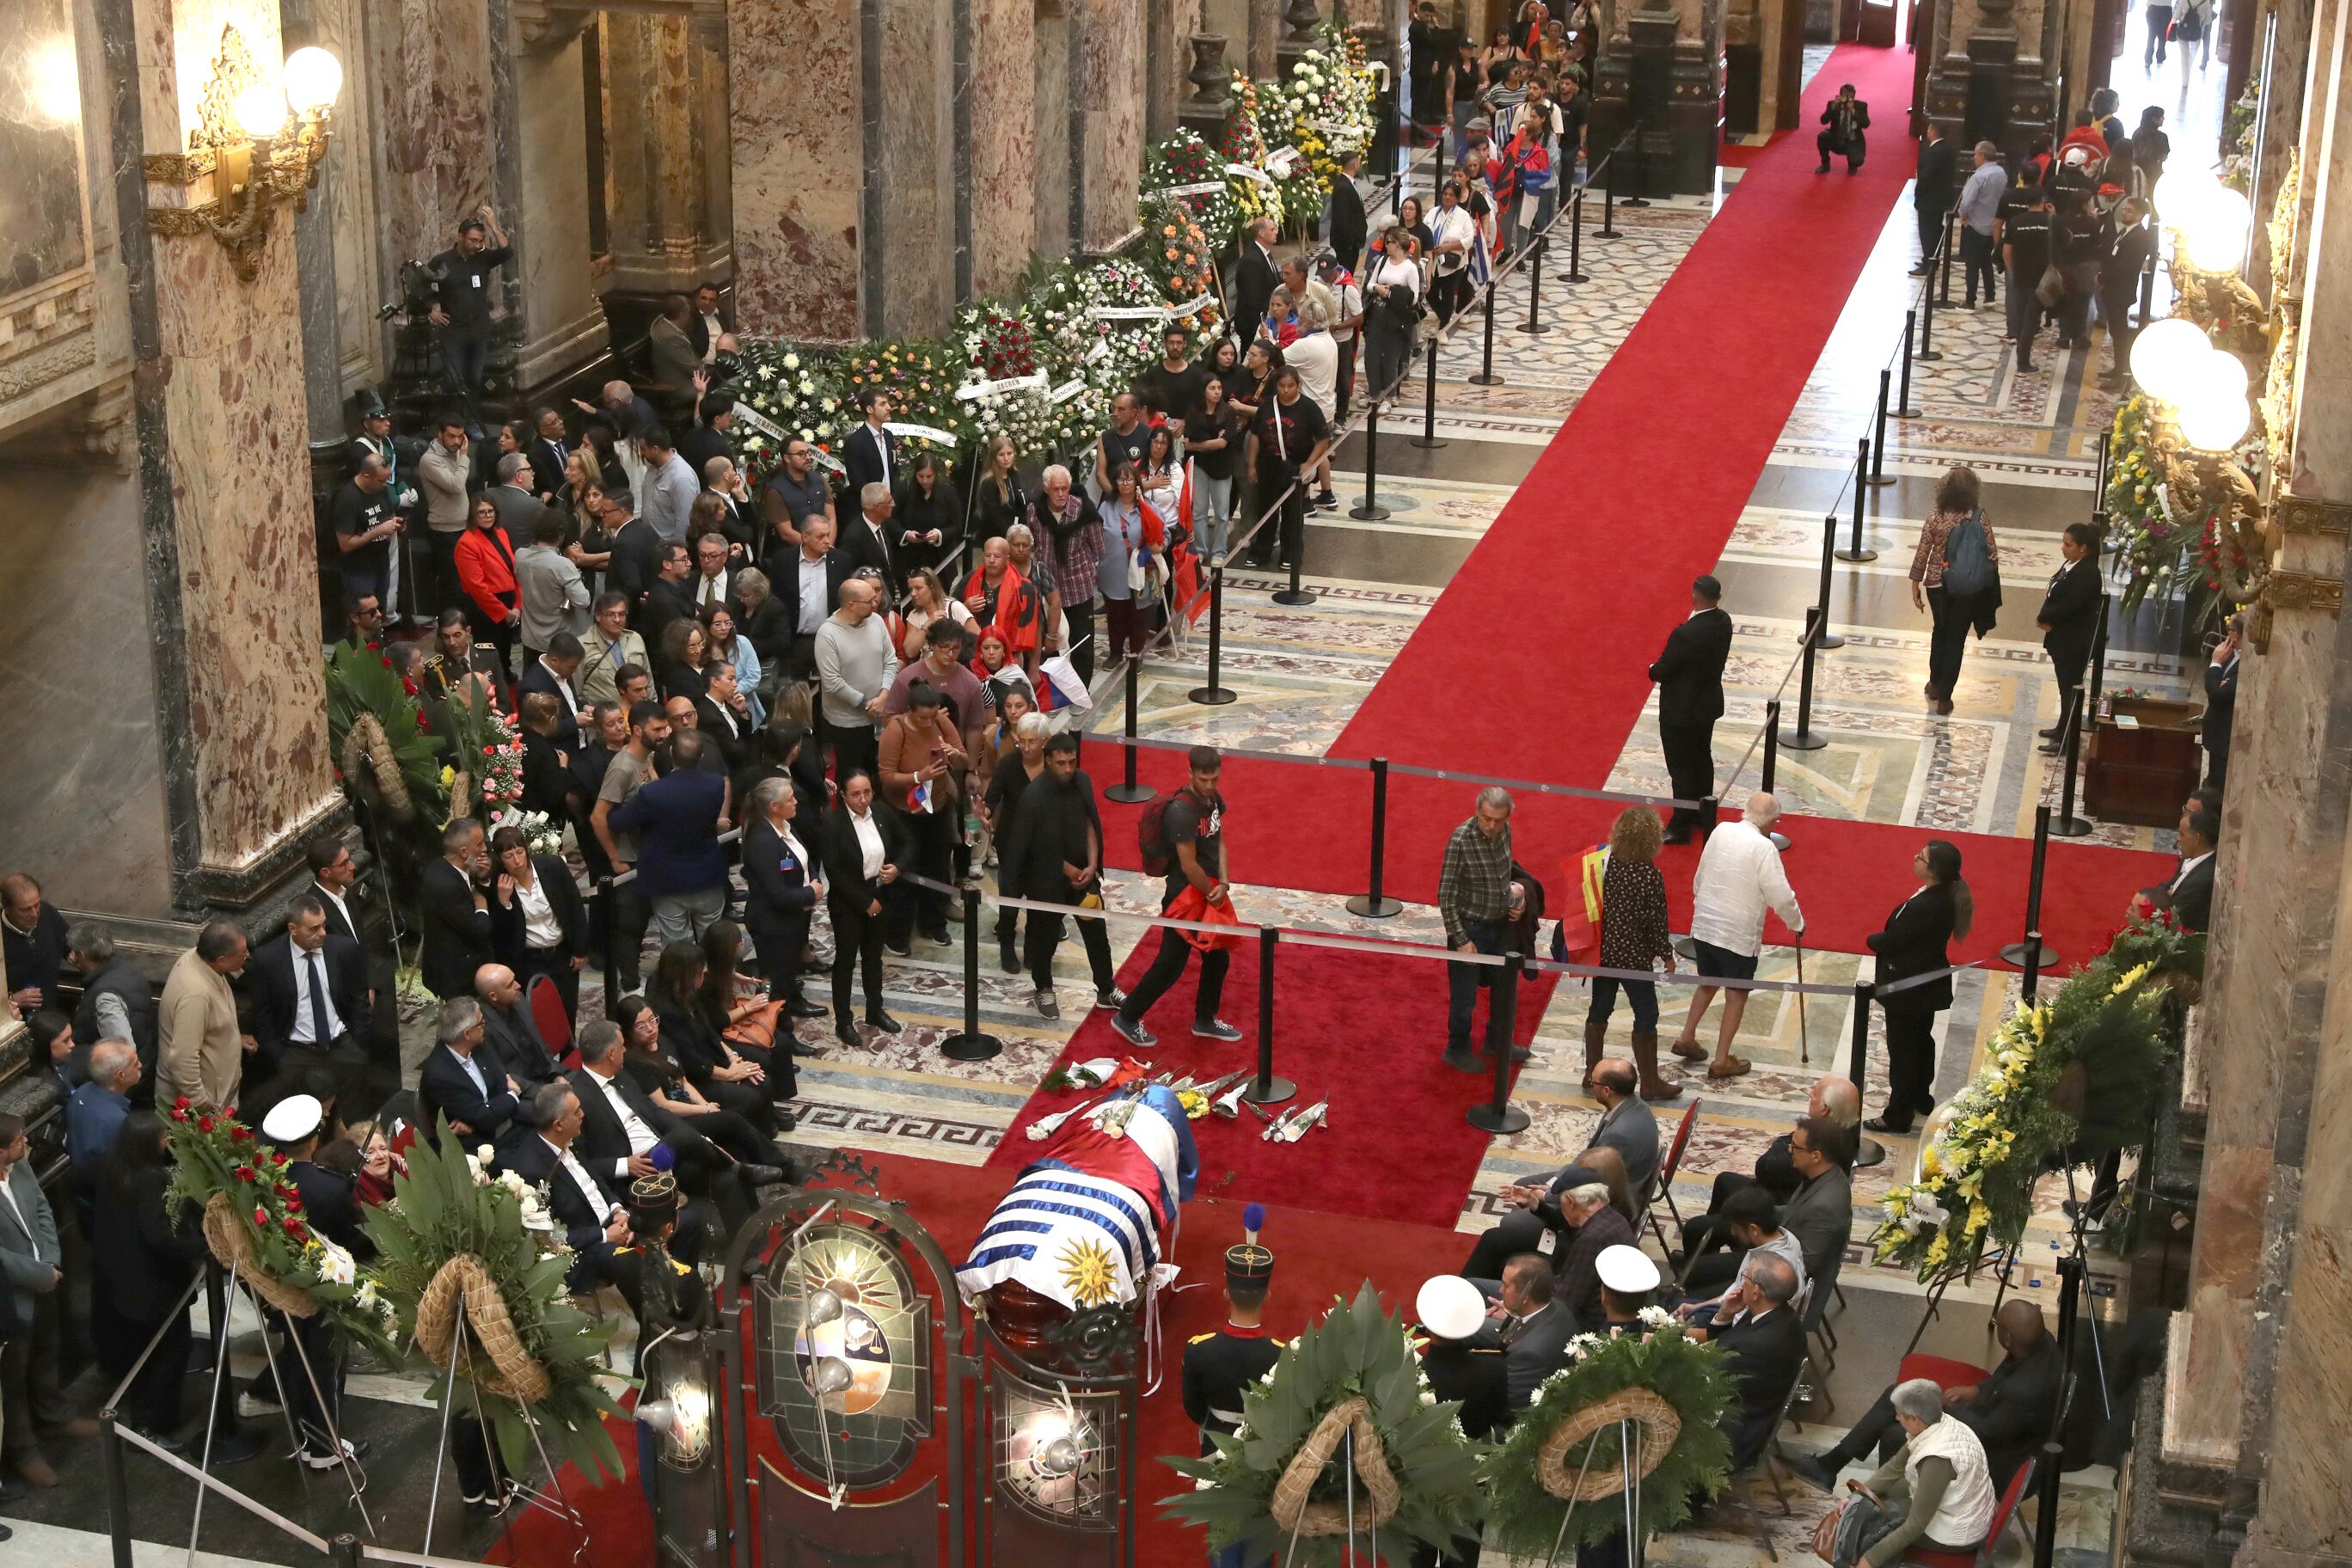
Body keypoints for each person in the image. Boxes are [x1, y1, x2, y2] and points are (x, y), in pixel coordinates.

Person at [1794, 1300, 2059, 1495]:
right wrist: (1977, 1389)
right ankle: (1833, 1467)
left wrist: (1937, 1410)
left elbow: (1984, 1435)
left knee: (1895, 1432)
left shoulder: (2025, 1391)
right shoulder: (2038, 1341)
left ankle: (1882, 1498)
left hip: (1994, 1461)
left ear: (2009, 1338)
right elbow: (2005, 1378)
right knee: (1898, 1397)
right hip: (1993, 1423)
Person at [91, 1110, 206, 1450]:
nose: (166, 1141)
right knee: (170, 1353)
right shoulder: (150, 1179)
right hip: (155, 1288)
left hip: (122, 1284)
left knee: (144, 1356)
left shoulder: (113, 1170)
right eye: (162, 1136)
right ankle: (150, 1427)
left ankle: (148, 1419)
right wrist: (200, 1246)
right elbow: (159, 1236)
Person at [1112, 745, 1239, 1045]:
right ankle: (1128, 1016)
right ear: (1190, 773)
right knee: (1170, 963)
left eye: (1214, 779)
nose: (1209, 785)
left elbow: (1219, 840)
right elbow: (1188, 864)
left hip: (1207, 891)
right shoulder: (1181, 811)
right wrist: (1213, 893)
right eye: (1203, 779)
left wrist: (1224, 881)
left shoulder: (1213, 799)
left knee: (1217, 956)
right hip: (1185, 896)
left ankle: (1205, 1019)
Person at [1670, 794, 1803, 1081]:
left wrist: (1701, 906)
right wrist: (1797, 923)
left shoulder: (1721, 830)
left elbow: (1701, 873)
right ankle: (1721, 1060)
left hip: (1706, 925)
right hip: (1737, 935)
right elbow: (1780, 896)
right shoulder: (1764, 847)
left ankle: (1687, 1035)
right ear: (1770, 820)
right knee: (1736, 994)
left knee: (1707, 981)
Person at [1001, 732, 1124, 1018]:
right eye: (1061, 763)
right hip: (1046, 883)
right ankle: (1043, 988)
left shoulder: (1083, 781)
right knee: (1043, 940)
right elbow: (1034, 847)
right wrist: (1070, 870)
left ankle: (1106, 988)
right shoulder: (1034, 797)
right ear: (1048, 760)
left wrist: (1092, 864)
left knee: (1097, 935)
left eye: (1072, 762)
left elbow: (1090, 822)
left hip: (1084, 877)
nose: (1068, 769)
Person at [1823, 1380, 1997, 1568]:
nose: (1897, 1417)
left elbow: (1916, 1525)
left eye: (1899, 1414)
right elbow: (1894, 1468)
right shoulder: (1938, 1423)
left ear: (1914, 1418)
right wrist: (1857, 1496)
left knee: (1876, 1522)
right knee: (1874, 1501)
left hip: (1955, 1533)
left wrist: (1871, 1559)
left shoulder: (1936, 1459)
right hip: (1962, 1509)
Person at [0, 1111, 85, 1489]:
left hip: (45, 1281)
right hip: (10, 1300)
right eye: (19, 1140)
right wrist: (39, 1275)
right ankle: (23, 1450)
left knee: (47, 1351)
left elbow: (41, 1209)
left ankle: (54, 1416)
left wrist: (51, 1261)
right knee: (13, 1377)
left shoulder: (20, 1167)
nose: (26, 1142)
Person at [1862, 841, 1969, 1134]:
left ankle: (1898, 1115)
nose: (1915, 857)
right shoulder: (1942, 895)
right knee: (1921, 1041)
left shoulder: (1926, 906)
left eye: (1921, 857)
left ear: (1933, 871)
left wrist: (1873, 940)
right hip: (1924, 984)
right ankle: (1921, 1096)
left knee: (1904, 1052)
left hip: (1908, 989)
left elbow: (1895, 940)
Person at [1685, 1102, 1855, 1275]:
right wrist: (1762, 1212)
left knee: (1697, 1269)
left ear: (1816, 1156)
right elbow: (1794, 1210)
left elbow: (1804, 1266)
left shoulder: (1825, 1206)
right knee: (1696, 1227)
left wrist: (1765, 1239)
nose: (1789, 1150)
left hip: (1771, 1263)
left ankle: (1693, 1280)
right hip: (1773, 1234)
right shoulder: (1819, 1174)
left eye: (1795, 1147)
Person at [1587, 806, 1681, 1097]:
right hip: (1635, 958)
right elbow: (1656, 921)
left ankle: (1592, 1074)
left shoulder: (1606, 863)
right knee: (1646, 1014)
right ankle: (1650, 1083)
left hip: (1604, 952)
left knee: (1599, 1010)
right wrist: (1666, 954)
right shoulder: (1649, 875)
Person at [246, 897, 372, 1107]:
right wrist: (279, 1056)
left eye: (323, 925)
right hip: (296, 1056)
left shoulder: (344, 950)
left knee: (353, 1113)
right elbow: (262, 1012)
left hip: (344, 1049)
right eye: (314, 928)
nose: (322, 933)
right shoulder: (268, 959)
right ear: (293, 929)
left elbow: (358, 998)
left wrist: (359, 1044)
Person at [610, 729, 730, 945]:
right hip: (708, 875)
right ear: (701, 756)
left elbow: (619, 822)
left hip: (668, 881)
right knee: (713, 943)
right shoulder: (715, 784)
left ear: (671, 751)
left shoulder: (652, 793)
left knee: (676, 947)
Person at [1438, 788, 1526, 1070]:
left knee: (1505, 988)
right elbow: (1446, 895)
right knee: (1465, 997)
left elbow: (1504, 870)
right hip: (1470, 929)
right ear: (1477, 811)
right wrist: (1461, 939)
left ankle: (1497, 1041)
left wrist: (1515, 901)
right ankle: (1457, 1048)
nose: (1492, 825)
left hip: (1500, 925)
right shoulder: (1460, 840)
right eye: (1486, 818)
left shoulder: (1505, 830)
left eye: (1498, 820)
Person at [1182, 1226, 1283, 1467]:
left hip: (1215, 1446)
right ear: (1267, 1295)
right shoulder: (1281, 1354)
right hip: (1263, 1451)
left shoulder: (1198, 1350)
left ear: (1227, 1293)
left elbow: (1194, 1410)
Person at [822, 770, 910, 1047]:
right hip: (848, 902)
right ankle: (843, 1021)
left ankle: (875, 1010)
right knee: (846, 962)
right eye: (856, 794)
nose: (863, 799)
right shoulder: (832, 823)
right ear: (843, 795)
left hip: (880, 894)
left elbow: (908, 843)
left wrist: (897, 868)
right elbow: (834, 872)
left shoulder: (881, 812)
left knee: (874, 958)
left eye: (867, 792)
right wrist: (864, 902)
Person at [1908, 464, 2003, 714]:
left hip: (1936, 585)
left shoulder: (1934, 516)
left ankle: (1934, 683)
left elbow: (1923, 552)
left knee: (1939, 630)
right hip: (1965, 588)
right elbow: (1992, 555)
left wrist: (1915, 583)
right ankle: (1945, 698)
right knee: (1956, 638)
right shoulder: (1978, 517)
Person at [1650, 574, 1734, 843]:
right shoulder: (1724, 622)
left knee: (1681, 767)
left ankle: (1680, 825)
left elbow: (1661, 670)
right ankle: (1703, 811)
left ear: (1695, 596)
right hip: (1706, 705)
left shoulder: (1685, 634)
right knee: (1701, 757)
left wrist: (1652, 668)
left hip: (1681, 711)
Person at [741, 778, 827, 1024]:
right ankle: (779, 1028)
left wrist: (814, 878)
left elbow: (804, 858)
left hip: (793, 916)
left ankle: (794, 1002)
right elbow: (776, 894)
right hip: (773, 924)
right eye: (790, 799)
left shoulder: (786, 826)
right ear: (774, 807)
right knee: (776, 981)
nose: (796, 801)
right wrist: (811, 893)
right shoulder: (763, 841)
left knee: (789, 969)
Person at [1711, 1256, 1807, 1472]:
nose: (1741, 1282)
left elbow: (1712, 1372)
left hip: (1734, 1436)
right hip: (1749, 1407)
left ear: (1756, 1292)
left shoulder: (1757, 1346)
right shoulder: (1778, 1314)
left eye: (1745, 1277)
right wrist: (1725, 1315)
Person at [156, 921, 252, 1112]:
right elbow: (182, 1059)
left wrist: (231, 1037)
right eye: (242, 954)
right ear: (221, 960)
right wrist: (201, 1103)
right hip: (199, 1109)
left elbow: (206, 1025)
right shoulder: (196, 995)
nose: (248, 955)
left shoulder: (198, 957)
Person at [1245, 367, 1333, 573]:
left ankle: (1291, 554)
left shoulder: (1309, 408)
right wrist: (1251, 464)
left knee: (1293, 514)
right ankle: (1261, 551)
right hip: (1268, 466)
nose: (1286, 390)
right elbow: (1256, 436)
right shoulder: (1267, 406)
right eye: (1282, 386)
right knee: (1265, 511)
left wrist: (1309, 463)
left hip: (1295, 467)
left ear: (1298, 385)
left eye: (1290, 386)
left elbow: (1323, 439)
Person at [1467, 1254, 1576, 1416]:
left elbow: (1504, 1407)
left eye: (1506, 1286)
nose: (1500, 1291)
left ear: (1525, 1297)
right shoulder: (1558, 1307)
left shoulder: (1530, 1355)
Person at [816, 574, 900, 780]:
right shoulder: (827, 634)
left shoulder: (877, 621)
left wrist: (884, 696)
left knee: (879, 774)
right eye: (869, 601)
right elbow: (832, 682)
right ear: (851, 605)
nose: (875, 602)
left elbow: (890, 660)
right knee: (851, 776)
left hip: (879, 716)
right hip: (847, 723)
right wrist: (867, 704)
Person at [2036, 521, 2104, 755]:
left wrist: (2046, 617)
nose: (2062, 548)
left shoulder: (2088, 574)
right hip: (2062, 639)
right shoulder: (2073, 564)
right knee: (2064, 689)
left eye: (2068, 544)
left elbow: (2072, 606)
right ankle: (2061, 729)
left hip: (2074, 643)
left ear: (2083, 548)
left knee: (2070, 692)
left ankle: (2067, 739)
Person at [426, 205, 511, 392]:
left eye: (480, 241)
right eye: (473, 240)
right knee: (455, 380)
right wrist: (431, 308)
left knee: (475, 377)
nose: (478, 245)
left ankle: (473, 410)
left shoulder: (483, 258)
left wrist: (494, 226)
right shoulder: (443, 262)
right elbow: (421, 284)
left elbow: (507, 252)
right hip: (454, 333)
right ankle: (457, 410)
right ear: (460, 237)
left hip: (479, 330)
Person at [418, 997, 521, 1143]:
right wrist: (514, 1094)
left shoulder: (479, 1045)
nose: (485, 1025)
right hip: (473, 1143)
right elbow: (486, 1118)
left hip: (500, 1122)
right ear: (467, 1034)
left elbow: (501, 1083)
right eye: (481, 1023)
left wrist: (479, 1119)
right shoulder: (440, 1076)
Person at [420, 818, 499, 1000]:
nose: (485, 849)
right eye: (479, 844)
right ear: (464, 852)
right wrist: (481, 907)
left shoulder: (445, 866)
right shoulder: (445, 885)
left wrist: (483, 878)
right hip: (458, 976)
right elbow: (477, 929)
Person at [2098, 197, 2158, 388]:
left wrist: (2102, 277)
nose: (2124, 213)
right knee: (2116, 331)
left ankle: (2121, 373)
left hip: (2120, 290)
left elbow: (2126, 267)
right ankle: (2118, 368)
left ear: (2139, 215)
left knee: (2120, 333)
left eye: (2129, 211)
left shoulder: (2139, 237)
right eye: (2125, 209)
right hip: (2113, 289)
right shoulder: (2127, 232)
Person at [2000, 182, 2055, 371]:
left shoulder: (2015, 222)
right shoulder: (2050, 221)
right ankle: (2023, 363)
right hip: (2042, 278)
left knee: (2021, 315)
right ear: (2043, 201)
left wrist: (2013, 271)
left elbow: (2006, 252)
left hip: (2021, 276)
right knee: (2031, 321)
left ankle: (2020, 355)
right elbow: (2067, 240)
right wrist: (2054, 215)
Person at [65, 1039, 142, 1177]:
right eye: (135, 1063)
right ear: (121, 1075)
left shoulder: (81, 1093)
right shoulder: (117, 1122)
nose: (140, 1065)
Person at [1363, 228, 1421, 401]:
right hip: (1377, 314)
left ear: (1398, 244)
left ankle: (1390, 396)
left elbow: (1414, 298)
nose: (1385, 245)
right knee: (1371, 357)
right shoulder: (1382, 261)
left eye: (1388, 242)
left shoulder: (1410, 268)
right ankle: (1374, 392)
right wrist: (1377, 288)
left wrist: (1392, 294)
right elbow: (1369, 284)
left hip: (1396, 318)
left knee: (1391, 359)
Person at [2136, 805, 2217, 930]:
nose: (2178, 839)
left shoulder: (2201, 880)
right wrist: (2163, 895)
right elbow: (2171, 883)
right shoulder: (2190, 858)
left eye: (2182, 834)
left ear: (2197, 838)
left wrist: (2162, 898)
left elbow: (2172, 918)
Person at [3, 873, 70, 1014]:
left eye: (37, 905)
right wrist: (12, 999)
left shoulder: (48, 914)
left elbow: (72, 948)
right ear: (7, 908)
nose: (34, 914)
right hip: (14, 1019)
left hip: (51, 1013)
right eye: (25, 909)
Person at [1953, 143, 2006, 309]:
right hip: (1992, 225)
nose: (1974, 158)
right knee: (1986, 261)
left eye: (1976, 154)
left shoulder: (1978, 177)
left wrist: (1963, 215)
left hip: (1976, 225)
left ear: (1982, 155)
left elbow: (1967, 201)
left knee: (1972, 264)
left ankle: (1970, 300)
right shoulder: (2001, 173)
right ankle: (1990, 295)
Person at [1914, 122, 1959, 274]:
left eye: (1929, 129)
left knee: (1927, 232)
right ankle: (1932, 259)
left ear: (1933, 132)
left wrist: (1918, 192)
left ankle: (1928, 263)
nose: (1927, 131)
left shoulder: (1933, 151)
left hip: (1929, 199)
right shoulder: (1949, 149)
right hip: (1941, 198)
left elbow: (1926, 176)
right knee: (1935, 229)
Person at [842, 388, 901, 499]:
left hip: (889, 504)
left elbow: (894, 471)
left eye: (887, 403)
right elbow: (858, 482)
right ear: (869, 409)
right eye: (882, 404)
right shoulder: (855, 441)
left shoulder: (888, 436)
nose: (889, 407)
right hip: (868, 506)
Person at [1232, 216, 1281, 348]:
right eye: (1272, 229)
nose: (1276, 232)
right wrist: (1263, 326)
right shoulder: (1251, 260)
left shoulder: (1264, 253)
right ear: (1261, 233)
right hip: (1254, 328)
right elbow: (1252, 299)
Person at [1816, 83, 1869, 173]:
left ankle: (1852, 165)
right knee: (1822, 137)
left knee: (1857, 160)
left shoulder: (1861, 106)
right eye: (1846, 96)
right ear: (1840, 95)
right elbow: (1823, 121)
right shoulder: (1833, 104)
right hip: (1836, 138)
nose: (1848, 99)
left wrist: (1853, 111)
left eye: (1850, 97)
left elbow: (1866, 124)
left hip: (1853, 140)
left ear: (1854, 96)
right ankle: (1825, 164)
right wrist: (1833, 108)